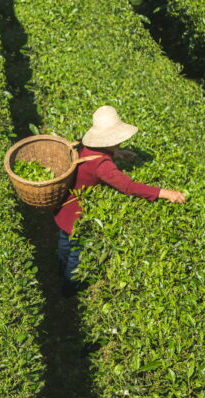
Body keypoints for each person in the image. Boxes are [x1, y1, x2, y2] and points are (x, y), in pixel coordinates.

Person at [55, 105, 185, 296]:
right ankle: (69, 290)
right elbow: (128, 186)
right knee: (77, 255)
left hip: (63, 209)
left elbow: (95, 157)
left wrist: (117, 154)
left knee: (64, 245)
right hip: (76, 217)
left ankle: (58, 272)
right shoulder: (102, 164)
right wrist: (164, 193)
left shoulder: (83, 146)